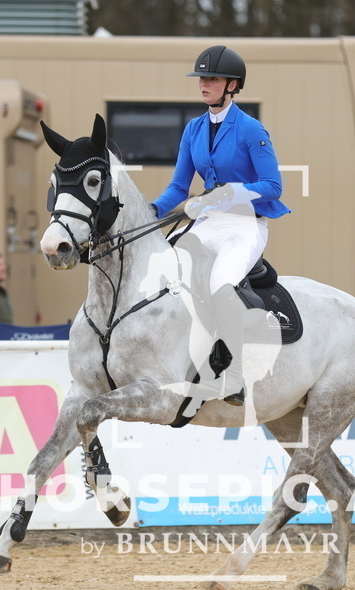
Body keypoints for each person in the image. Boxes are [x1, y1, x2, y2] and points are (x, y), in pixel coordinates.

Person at [151, 45, 290, 406]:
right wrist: (152, 210)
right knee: (168, 267)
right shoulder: (194, 129)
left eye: (211, 78)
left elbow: (273, 185)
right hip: (208, 223)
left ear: (232, 85)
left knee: (219, 284)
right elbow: (179, 187)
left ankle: (236, 375)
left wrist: (227, 194)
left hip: (244, 226)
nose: (203, 84)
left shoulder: (250, 129)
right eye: (201, 78)